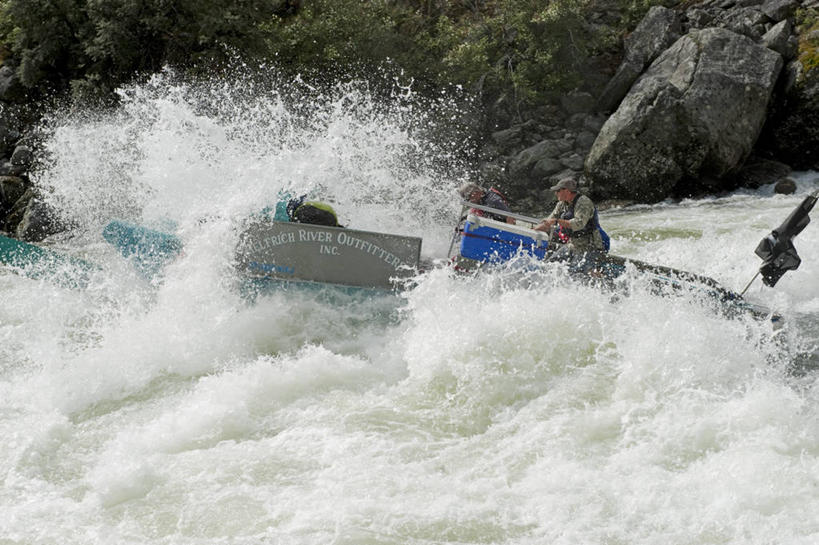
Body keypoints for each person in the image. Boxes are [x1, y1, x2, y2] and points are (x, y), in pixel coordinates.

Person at [534, 177, 607, 254]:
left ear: (567, 191)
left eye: (558, 191)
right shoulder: (562, 204)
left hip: (590, 247)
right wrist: (535, 229)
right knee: (551, 261)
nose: (556, 193)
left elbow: (579, 224)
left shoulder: (583, 202)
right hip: (572, 243)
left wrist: (557, 221)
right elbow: (549, 221)